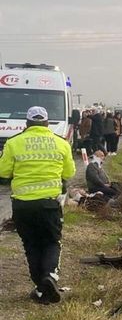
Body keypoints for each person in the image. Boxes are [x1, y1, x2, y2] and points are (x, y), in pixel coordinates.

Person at [0, 106, 76, 304]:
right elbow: (69, 173)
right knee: (51, 242)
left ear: (27, 124)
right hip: (48, 205)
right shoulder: (61, 143)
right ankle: (50, 277)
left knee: (31, 244)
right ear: (47, 123)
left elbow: (3, 172)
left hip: (22, 206)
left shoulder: (13, 143)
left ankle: (41, 289)